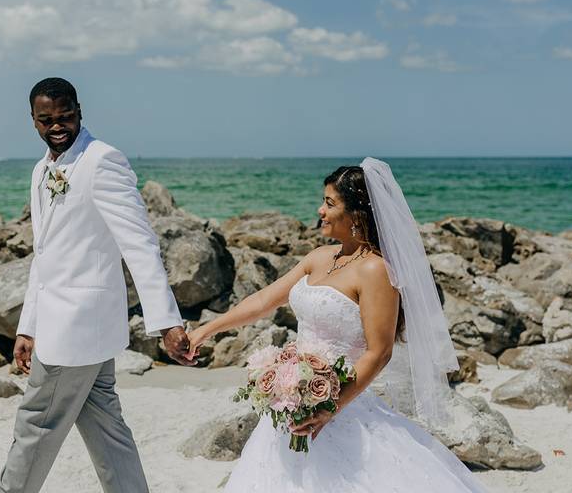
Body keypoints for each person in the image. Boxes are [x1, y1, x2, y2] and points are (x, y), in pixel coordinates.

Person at [188, 159, 487, 492]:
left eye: (330, 203)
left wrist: (330, 407)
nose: (320, 210)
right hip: (293, 403)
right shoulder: (319, 256)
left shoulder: (375, 271)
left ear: (357, 214)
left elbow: (379, 351)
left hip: (343, 403)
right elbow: (263, 302)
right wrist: (206, 330)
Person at [0, 77, 195, 493]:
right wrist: (28, 325)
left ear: (79, 110)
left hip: (77, 329)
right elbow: (44, 254)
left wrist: (166, 321)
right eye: (45, 119)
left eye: (65, 116)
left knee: (35, 425)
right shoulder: (41, 170)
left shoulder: (103, 160)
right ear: (32, 120)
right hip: (71, 330)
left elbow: (139, 243)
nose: (57, 126)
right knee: (107, 430)